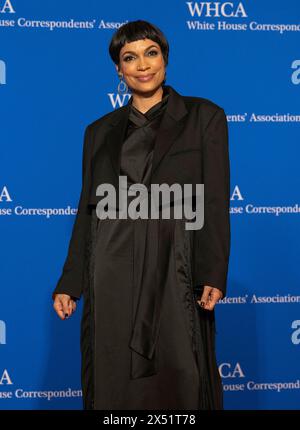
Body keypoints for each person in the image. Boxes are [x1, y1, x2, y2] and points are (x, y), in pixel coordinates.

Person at [52, 19, 230, 410]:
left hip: (174, 266)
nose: (143, 64)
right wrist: (71, 281)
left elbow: (214, 200)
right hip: (112, 266)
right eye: (129, 57)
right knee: (114, 377)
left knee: (182, 373)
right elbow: (89, 209)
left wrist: (212, 271)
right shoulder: (98, 131)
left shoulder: (204, 117)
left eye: (151, 53)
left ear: (165, 58)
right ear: (118, 69)